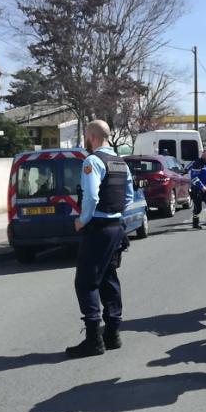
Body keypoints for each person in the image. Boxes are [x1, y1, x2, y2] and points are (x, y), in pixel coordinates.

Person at [66, 120, 134, 358]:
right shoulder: (120, 163)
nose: (86, 139)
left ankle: (94, 340)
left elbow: (92, 196)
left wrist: (82, 220)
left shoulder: (93, 161)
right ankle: (113, 334)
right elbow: (128, 196)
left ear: (92, 136)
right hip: (116, 227)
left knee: (86, 283)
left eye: (86, 135)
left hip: (98, 227)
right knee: (108, 278)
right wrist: (115, 212)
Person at [189, 149, 206, 229]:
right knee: (198, 208)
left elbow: (205, 177)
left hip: (205, 188)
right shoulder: (197, 164)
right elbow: (194, 178)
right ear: (202, 155)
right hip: (196, 189)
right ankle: (195, 223)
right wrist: (202, 186)